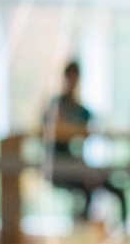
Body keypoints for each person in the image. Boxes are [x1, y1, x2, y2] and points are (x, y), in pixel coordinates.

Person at [41, 60, 110, 221]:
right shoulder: (55, 105)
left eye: (76, 77)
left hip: (77, 164)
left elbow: (94, 126)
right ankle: (82, 222)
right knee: (87, 184)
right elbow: (47, 130)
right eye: (70, 77)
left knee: (101, 183)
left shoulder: (81, 110)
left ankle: (85, 223)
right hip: (58, 164)